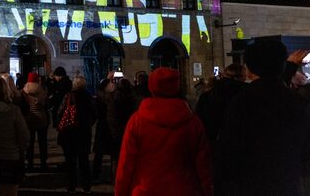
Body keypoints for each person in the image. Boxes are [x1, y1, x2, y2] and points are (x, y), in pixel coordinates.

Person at [217, 40, 310, 196]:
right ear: (281, 65)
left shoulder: (240, 102)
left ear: (249, 68)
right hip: (287, 182)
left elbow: (228, 152)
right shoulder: (296, 102)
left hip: (249, 184)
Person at [115, 67, 212, 196]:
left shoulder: (137, 121)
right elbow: (203, 164)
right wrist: (207, 190)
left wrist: (120, 192)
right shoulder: (193, 122)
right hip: (184, 189)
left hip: (146, 189)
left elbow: (126, 164)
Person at [57, 76, 96, 193]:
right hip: (84, 132)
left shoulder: (69, 96)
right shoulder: (88, 96)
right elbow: (94, 113)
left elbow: (60, 112)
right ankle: (86, 186)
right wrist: (88, 123)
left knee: (70, 161)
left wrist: (60, 123)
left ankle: (71, 186)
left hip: (69, 132)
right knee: (84, 161)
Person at [21, 72, 49, 171]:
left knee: (30, 142)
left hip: (29, 120)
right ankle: (43, 163)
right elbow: (47, 105)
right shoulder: (42, 91)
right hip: (41, 119)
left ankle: (30, 163)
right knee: (42, 142)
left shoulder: (24, 92)